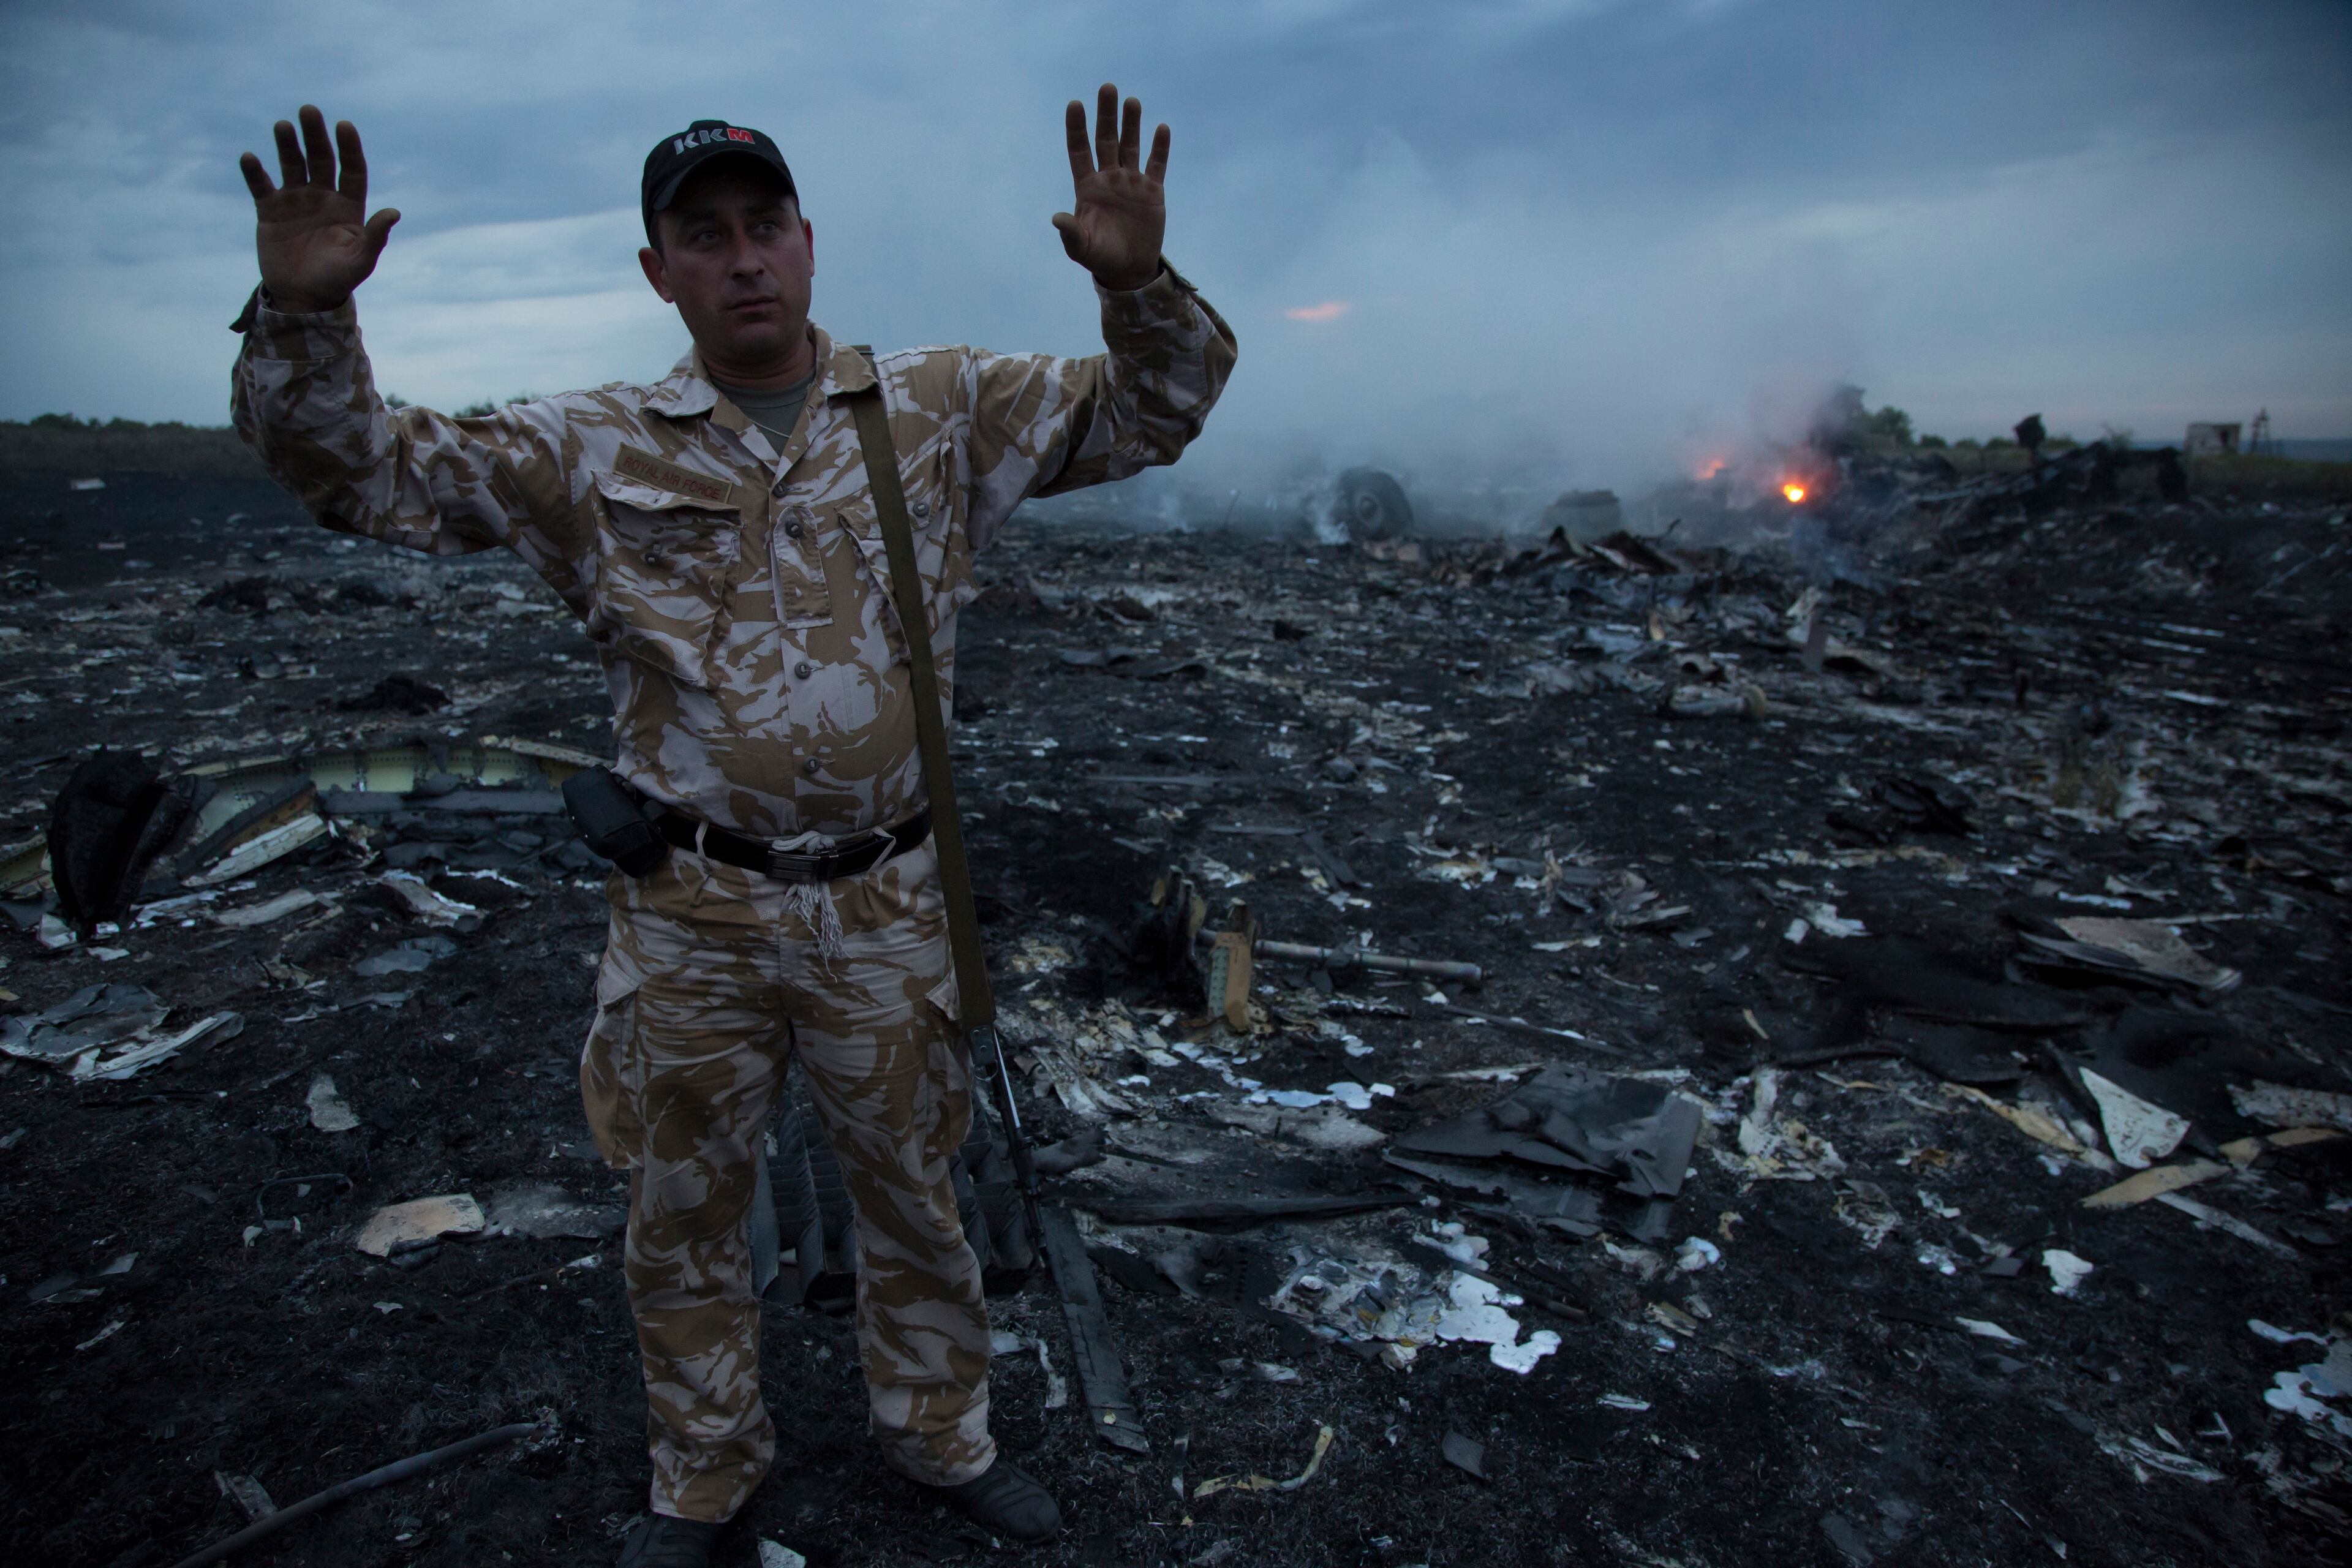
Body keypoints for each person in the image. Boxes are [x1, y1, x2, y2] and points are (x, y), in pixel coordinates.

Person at [231, 88, 1235, 1567]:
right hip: (689, 911)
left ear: (810, 243)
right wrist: (302, 317)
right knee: (680, 1206)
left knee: (916, 1189)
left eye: (765, 226)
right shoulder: (592, 446)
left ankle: (938, 1434)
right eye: (704, 237)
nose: (743, 258)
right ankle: (703, 1474)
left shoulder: (941, 411)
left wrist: (1134, 279)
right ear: (660, 273)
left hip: (885, 903)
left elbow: (1157, 406)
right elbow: (362, 475)